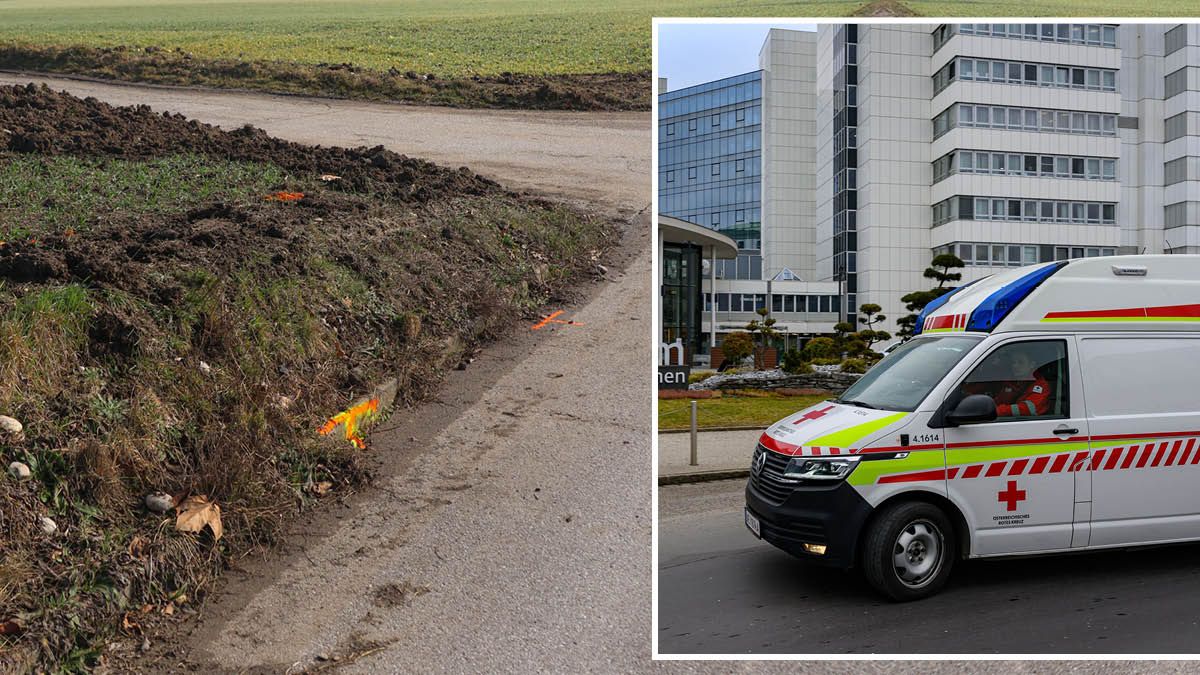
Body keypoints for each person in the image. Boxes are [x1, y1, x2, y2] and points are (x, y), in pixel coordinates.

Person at [990, 349, 1053, 418]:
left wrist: (1000, 411)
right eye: (1013, 362)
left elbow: (1029, 409)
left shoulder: (1041, 385)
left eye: (1021, 362)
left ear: (1032, 365)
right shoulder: (1011, 382)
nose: (1015, 366)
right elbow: (998, 401)